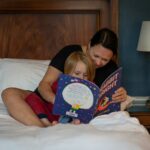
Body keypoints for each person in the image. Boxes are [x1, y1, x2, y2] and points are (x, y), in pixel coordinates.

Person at [2, 28, 129, 127]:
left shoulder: (111, 68)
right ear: (89, 45)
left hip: (78, 109)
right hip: (48, 101)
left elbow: (105, 99)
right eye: (96, 56)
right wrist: (61, 103)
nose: (98, 62)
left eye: (105, 59)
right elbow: (44, 84)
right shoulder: (70, 52)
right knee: (9, 93)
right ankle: (42, 128)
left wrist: (120, 95)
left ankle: (57, 127)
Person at [25, 51, 95, 126]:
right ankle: (46, 122)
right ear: (68, 72)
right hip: (54, 113)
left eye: (85, 75)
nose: (81, 77)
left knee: (81, 113)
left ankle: (72, 123)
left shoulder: (90, 87)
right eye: (77, 73)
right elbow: (51, 98)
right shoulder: (61, 83)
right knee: (32, 98)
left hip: (74, 113)